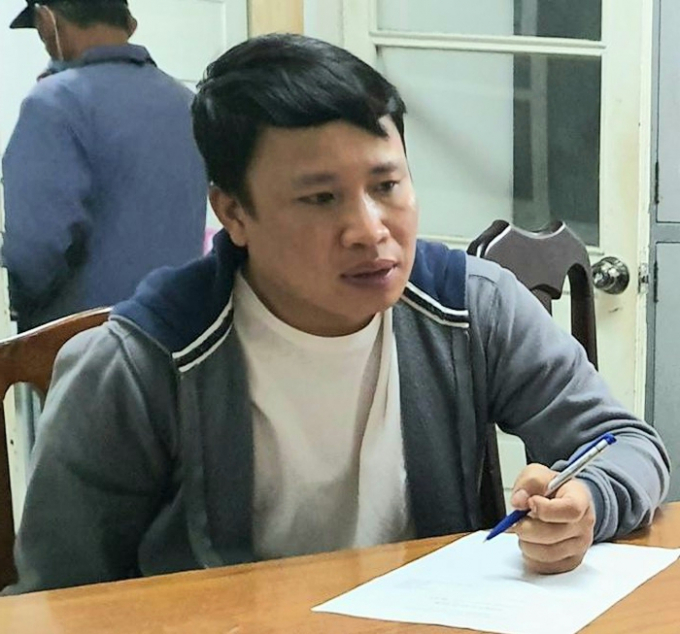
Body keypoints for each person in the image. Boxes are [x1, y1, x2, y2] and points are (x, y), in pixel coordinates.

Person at [3, 33, 670, 595]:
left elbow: (625, 442)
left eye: (387, 185)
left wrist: (588, 501)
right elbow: (57, 599)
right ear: (232, 212)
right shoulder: (140, 362)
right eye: (321, 198)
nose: (369, 229)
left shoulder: (471, 306)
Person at [2, 0, 207, 331]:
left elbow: (35, 252)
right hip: (178, 332)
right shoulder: (186, 102)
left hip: (83, 342)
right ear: (130, 24)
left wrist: (20, 307)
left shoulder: (54, 102)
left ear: (46, 21)